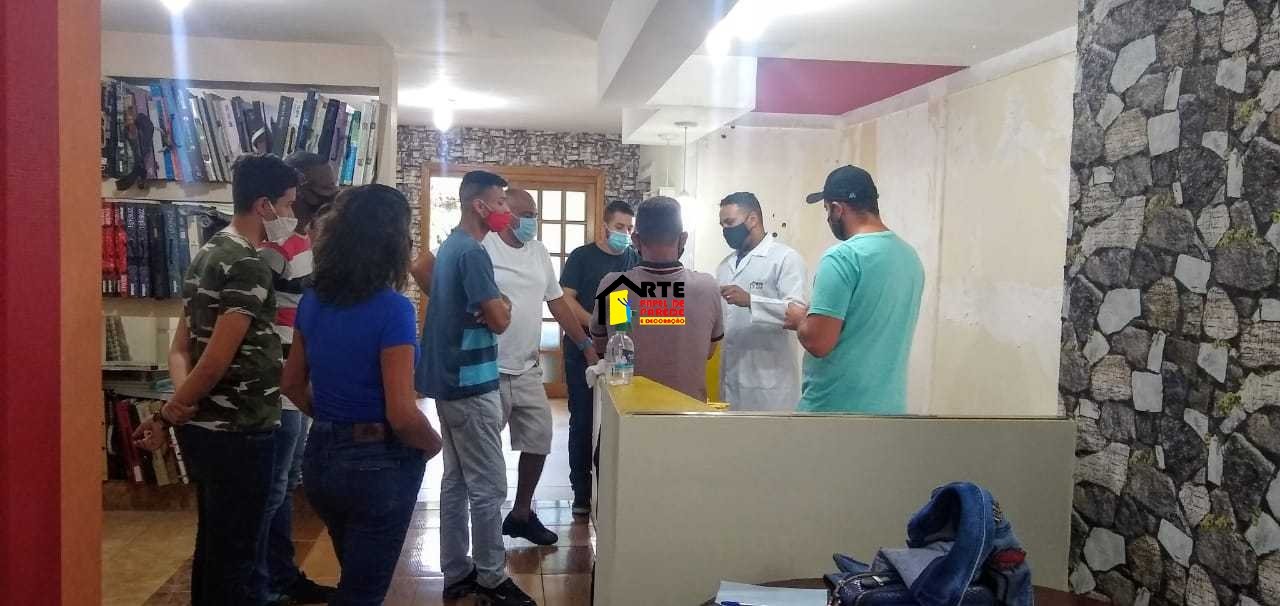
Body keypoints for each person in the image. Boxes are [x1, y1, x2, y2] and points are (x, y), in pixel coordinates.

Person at [132, 153, 298, 605]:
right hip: (241, 428)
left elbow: (181, 349)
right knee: (236, 555)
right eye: (287, 204)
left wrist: (181, 405)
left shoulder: (208, 253)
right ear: (263, 205)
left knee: (214, 546)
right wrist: (168, 414)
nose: (291, 216)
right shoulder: (247, 264)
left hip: (206, 426)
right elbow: (215, 360)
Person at [281, 184, 442, 605]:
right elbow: (402, 413)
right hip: (377, 464)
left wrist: (334, 420)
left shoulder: (313, 301)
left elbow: (291, 383)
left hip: (321, 458)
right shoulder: (394, 310)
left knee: (354, 577)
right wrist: (432, 445)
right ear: (393, 242)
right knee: (362, 592)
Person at [415, 170, 538, 606]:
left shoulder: (451, 245)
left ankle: (457, 570)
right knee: (488, 485)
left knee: (457, 481)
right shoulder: (473, 253)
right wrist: (502, 306)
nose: (508, 212)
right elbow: (500, 320)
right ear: (479, 206)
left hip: (448, 381)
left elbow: (487, 309)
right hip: (472, 384)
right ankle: (490, 576)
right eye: (501, 203)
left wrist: (496, 305)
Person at [481, 189, 600, 546]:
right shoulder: (484, 246)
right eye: (528, 214)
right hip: (489, 368)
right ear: (507, 213)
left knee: (539, 439)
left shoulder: (538, 252)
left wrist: (586, 346)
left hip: (528, 367)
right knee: (486, 454)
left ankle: (521, 514)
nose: (533, 220)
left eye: (535, 214)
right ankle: (485, 532)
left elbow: (558, 303)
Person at [253, 150, 337, 605]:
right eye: (322, 188)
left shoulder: (302, 240)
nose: (328, 197)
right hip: (275, 382)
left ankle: (281, 575)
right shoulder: (273, 246)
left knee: (284, 485)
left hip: (296, 378)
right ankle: (260, 583)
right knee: (271, 489)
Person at [785, 165, 925, 414]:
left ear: (837, 209)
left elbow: (818, 341)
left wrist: (800, 319)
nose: (829, 218)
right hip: (889, 410)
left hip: (835, 411)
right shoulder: (909, 257)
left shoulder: (842, 257)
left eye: (827, 210)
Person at [590, 196, 724, 401]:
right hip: (689, 413)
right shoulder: (707, 287)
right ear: (683, 239)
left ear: (635, 240)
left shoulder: (616, 288)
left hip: (629, 412)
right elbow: (708, 351)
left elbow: (605, 346)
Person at [558, 200, 638, 515]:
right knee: (583, 420)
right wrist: (594, 324)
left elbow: (630, 305)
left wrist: (617, 335)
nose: (625, 234)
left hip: (621, 352)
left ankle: (613, 490)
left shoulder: (634, 259)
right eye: (619, 227)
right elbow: (565, 300)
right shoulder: (582, 257)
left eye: (630, 228)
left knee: (619, 420)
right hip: (582, 347)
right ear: (605, 226)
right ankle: (581, 492)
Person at [715, 192, 808, 412]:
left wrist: (751, 301)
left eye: (730, 223)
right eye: (722, 225)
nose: (725, 230)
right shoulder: (725, 266)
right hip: (731, 380)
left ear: (753, 219)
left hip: (771, 386)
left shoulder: (785, 259)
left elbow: (798, 313)